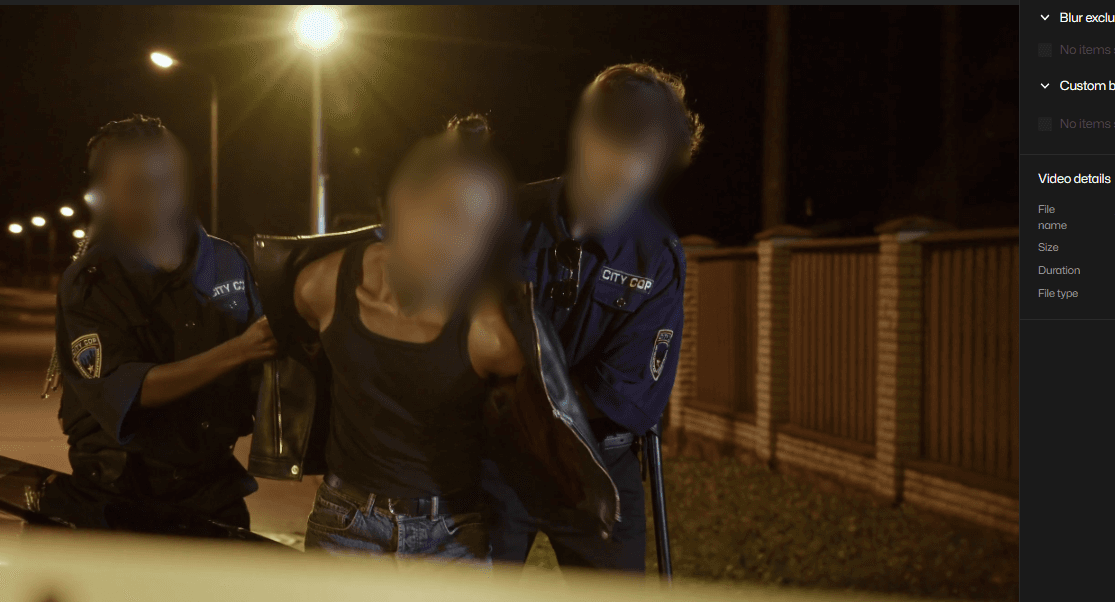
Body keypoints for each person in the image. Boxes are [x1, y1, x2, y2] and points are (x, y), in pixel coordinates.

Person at [483, 63, 706, 573]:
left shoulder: (655, 257)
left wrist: (517, 391)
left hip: (600, 466)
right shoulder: (501, 218)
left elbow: (624, 396)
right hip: (496, 463)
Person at [288, 116, 523, 564]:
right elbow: (296, 356)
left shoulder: (491, 332)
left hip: (454, 533)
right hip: (346, 526)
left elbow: (532, 430)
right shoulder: (321, 286)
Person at [40, 114, 275, 529]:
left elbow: (264, 371)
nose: (155, 195)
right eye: (133, 184)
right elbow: (132, 392)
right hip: (120, 496)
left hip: (215, 488)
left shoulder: (225, 260)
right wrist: (239, 350)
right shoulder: (92, 280)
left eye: (164, 178)